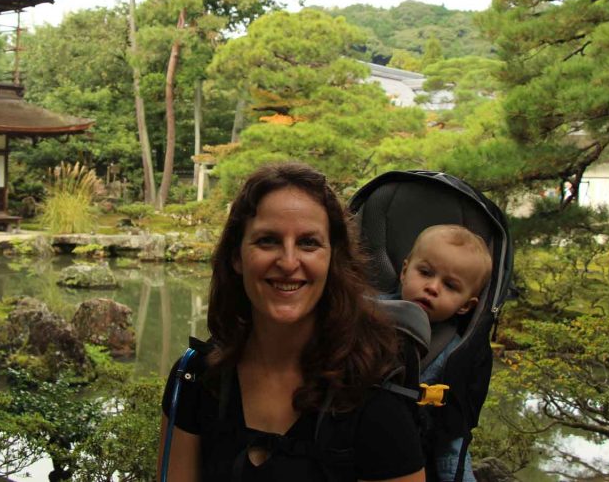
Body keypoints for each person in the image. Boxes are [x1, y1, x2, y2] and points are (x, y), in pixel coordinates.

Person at [158, 162, 426, 482]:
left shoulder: (373, 391)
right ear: (236, 257)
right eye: (268, 240)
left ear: (332, 259)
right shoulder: (197, 377)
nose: (288, 262)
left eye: (308, 243)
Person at [398, 224, 493, 482]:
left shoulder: (456, 354)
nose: (432, 287)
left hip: (405, 448)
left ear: (466, 306)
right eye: (425, 272)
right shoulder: (363, 312)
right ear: (404, 271)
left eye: (450, 286)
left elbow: (451, 440)